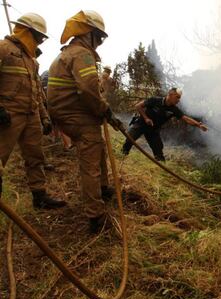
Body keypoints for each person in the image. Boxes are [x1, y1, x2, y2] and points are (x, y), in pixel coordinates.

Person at [47, 10, 122, 233]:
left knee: (98, 149)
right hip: (77, 115)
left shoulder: (71, 52)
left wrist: (102, 112)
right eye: (98, 37)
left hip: (72, 113)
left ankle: (103, 188)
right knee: (90, 163)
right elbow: (89, 90)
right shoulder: (82, 54)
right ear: (88, 34)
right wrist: (104, 110)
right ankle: (95, 215)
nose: (99, 43)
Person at [0, 13, 66, 209]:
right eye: (38, 36)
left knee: (35, 156)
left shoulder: (31, 60)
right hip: (7, 115)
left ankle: (39, 196)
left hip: (31, 115)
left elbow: (37, 90)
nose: (39, 41)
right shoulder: (3, 49)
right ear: (26, 31)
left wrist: (44, 117)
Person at [121, 88, 208, 161]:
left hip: (153, 130)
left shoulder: (174, 109)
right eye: (177, 97)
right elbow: (138, 106)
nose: (178, 100)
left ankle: (161, 167)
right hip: (141, 124)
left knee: (159, 151)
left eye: (180, 98)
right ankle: (122, 156)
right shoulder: (155, 100)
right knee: (129, 140)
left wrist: (198, 125)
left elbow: (185, 118)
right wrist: (146, 118)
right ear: (170, 94)